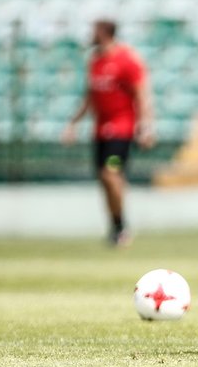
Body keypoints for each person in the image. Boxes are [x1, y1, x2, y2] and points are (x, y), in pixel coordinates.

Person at [62, 20, 155, 246]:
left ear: (105, 32)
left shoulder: (125, 60)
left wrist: (146, 126)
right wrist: (73, 123)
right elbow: (90, 97)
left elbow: (142, 94)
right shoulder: (95, 61)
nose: (90, 34)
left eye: (94, 30)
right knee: (105, 180)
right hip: (100, 133)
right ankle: (115, 227)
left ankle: (122, 226)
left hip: (121, 130)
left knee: (109, 173)